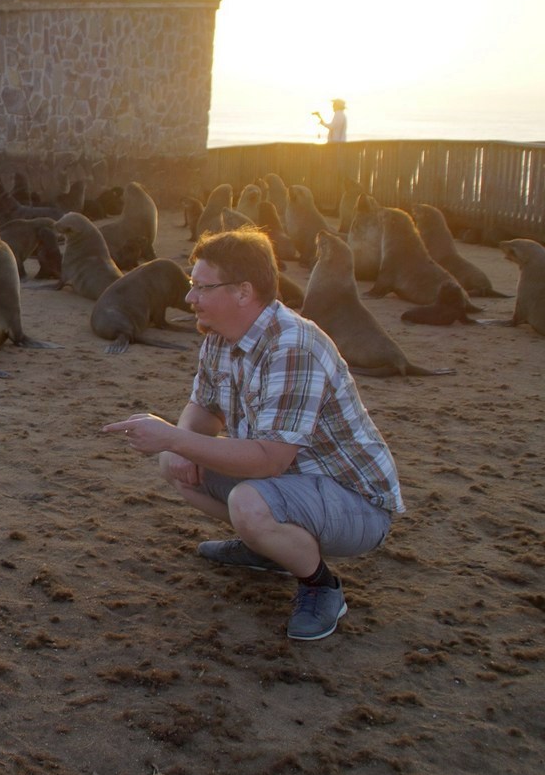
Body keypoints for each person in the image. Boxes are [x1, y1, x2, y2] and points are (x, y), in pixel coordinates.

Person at [102, 227, 402, 641]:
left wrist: (173, 437)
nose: (190, 298)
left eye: (201, 287)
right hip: (292, 482)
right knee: (174, 463)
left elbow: (269, 459)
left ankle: (321, 586)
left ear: (244, 292)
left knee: (247, 501)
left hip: (356, 502)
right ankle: (268, 546)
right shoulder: (220, 338)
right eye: (193, 285)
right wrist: (181, 441)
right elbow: (204, 409)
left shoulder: (292, 346)